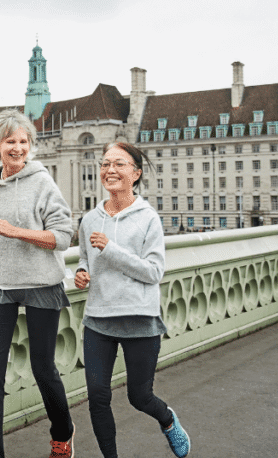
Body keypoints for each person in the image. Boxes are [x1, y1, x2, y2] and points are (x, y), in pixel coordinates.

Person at [74, 142, 191, 458]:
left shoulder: (148, 218)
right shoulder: (88, 220)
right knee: (97, 397)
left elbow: (153, 272)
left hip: (140, 318)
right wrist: (82, 273)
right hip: (98, 318)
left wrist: (111, 249)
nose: (110, 169)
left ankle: (167, 420)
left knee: (139, 397)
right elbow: (86, 260)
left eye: (119, 164)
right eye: (105, 163)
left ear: (136, 173)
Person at [0, 109, 75, 458]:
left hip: (40, 283)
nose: (18, 148)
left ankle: (63, 431)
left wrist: (17, 232)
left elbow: (63, 236)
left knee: (42, 367)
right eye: (10, 141)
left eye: (23, 141)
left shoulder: (42, 182)